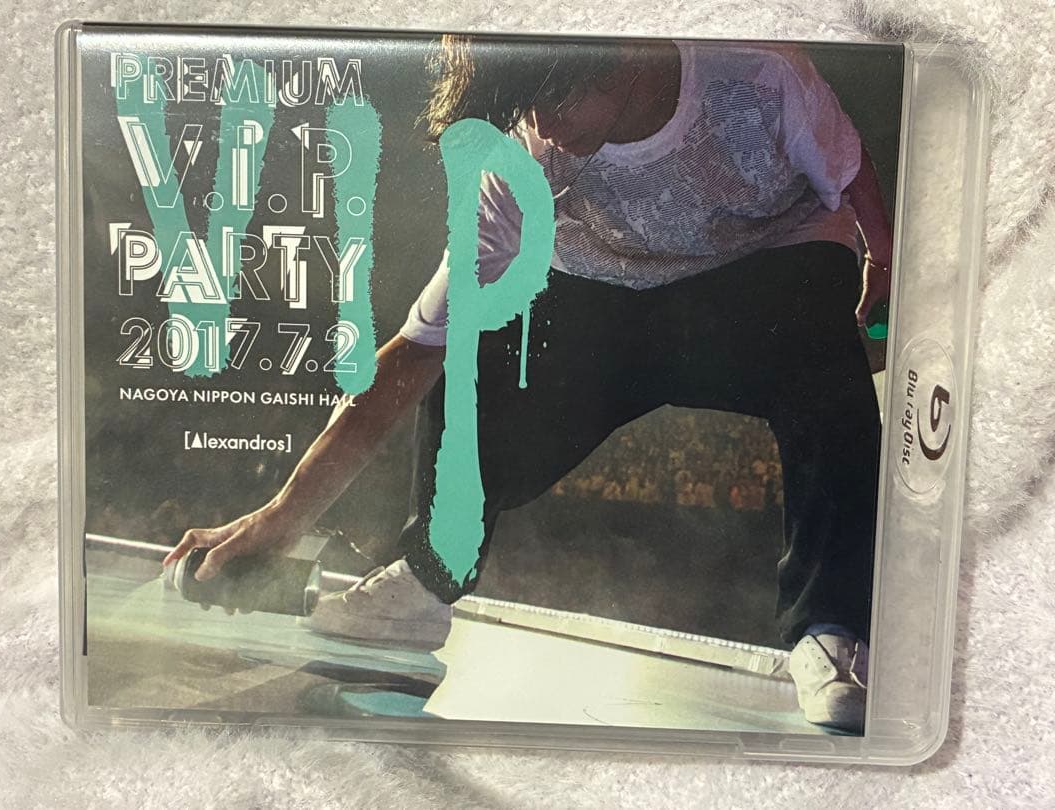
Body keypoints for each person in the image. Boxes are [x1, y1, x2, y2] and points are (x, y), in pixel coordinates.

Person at [165, 35, 892, 733]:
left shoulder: (760, 75)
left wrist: (885, 267)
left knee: (824, 352)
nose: (546, 125)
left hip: (761, 274)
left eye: (558, 98)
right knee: (469, 348)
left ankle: (832, 630)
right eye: (528, 108)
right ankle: (425, 581)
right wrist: (281, 517)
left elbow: (851, 170)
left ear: (624, 54)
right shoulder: (520, 161)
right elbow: (412, 353)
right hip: (604, 295)